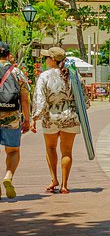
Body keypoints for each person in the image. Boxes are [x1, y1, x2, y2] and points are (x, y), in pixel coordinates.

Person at [31, 47, 86, 194]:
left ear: (53, 60)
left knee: (50, 148)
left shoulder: (44, 76)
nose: (45, 60)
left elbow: (40, 100)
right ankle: (64, 184)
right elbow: (84, 100)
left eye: (46, 58)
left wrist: (34, 117)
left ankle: (54, 179)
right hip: (70, 116)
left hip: (51, 117)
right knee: (67, 151)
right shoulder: (74, 75)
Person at [0, 42, 31, 200]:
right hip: (11, 115)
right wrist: (27, 119)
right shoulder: (16, 72)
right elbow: (25, 99)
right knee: (12, 150)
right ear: (8, 54)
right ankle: (8, 176)